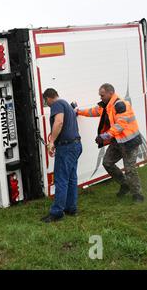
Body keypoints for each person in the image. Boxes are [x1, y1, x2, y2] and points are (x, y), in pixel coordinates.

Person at [76, 83, 145, 202]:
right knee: (107, 163)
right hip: (117, 142)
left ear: (110, 93)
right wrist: (78, 111)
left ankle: (137, 195)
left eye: (102, 95)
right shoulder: (106, 105)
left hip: (130, 143)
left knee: (130, 169)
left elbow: (121, 124)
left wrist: (105, 136)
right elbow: (93, 111)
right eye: (100, 95)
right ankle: (125, 185)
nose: (100, 97)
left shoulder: (120, 105)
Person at [41, 88, 82, 223]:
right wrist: (55, 143)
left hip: (67, 147)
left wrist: (52, 141)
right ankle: (71, 208)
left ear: (48, 98)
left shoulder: (57, 104)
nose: (47, 104)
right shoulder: (67, 106)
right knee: (71, 178)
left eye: (45, 101)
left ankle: (57, 212)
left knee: (61, 179)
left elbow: (59, 122)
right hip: (75, 145)